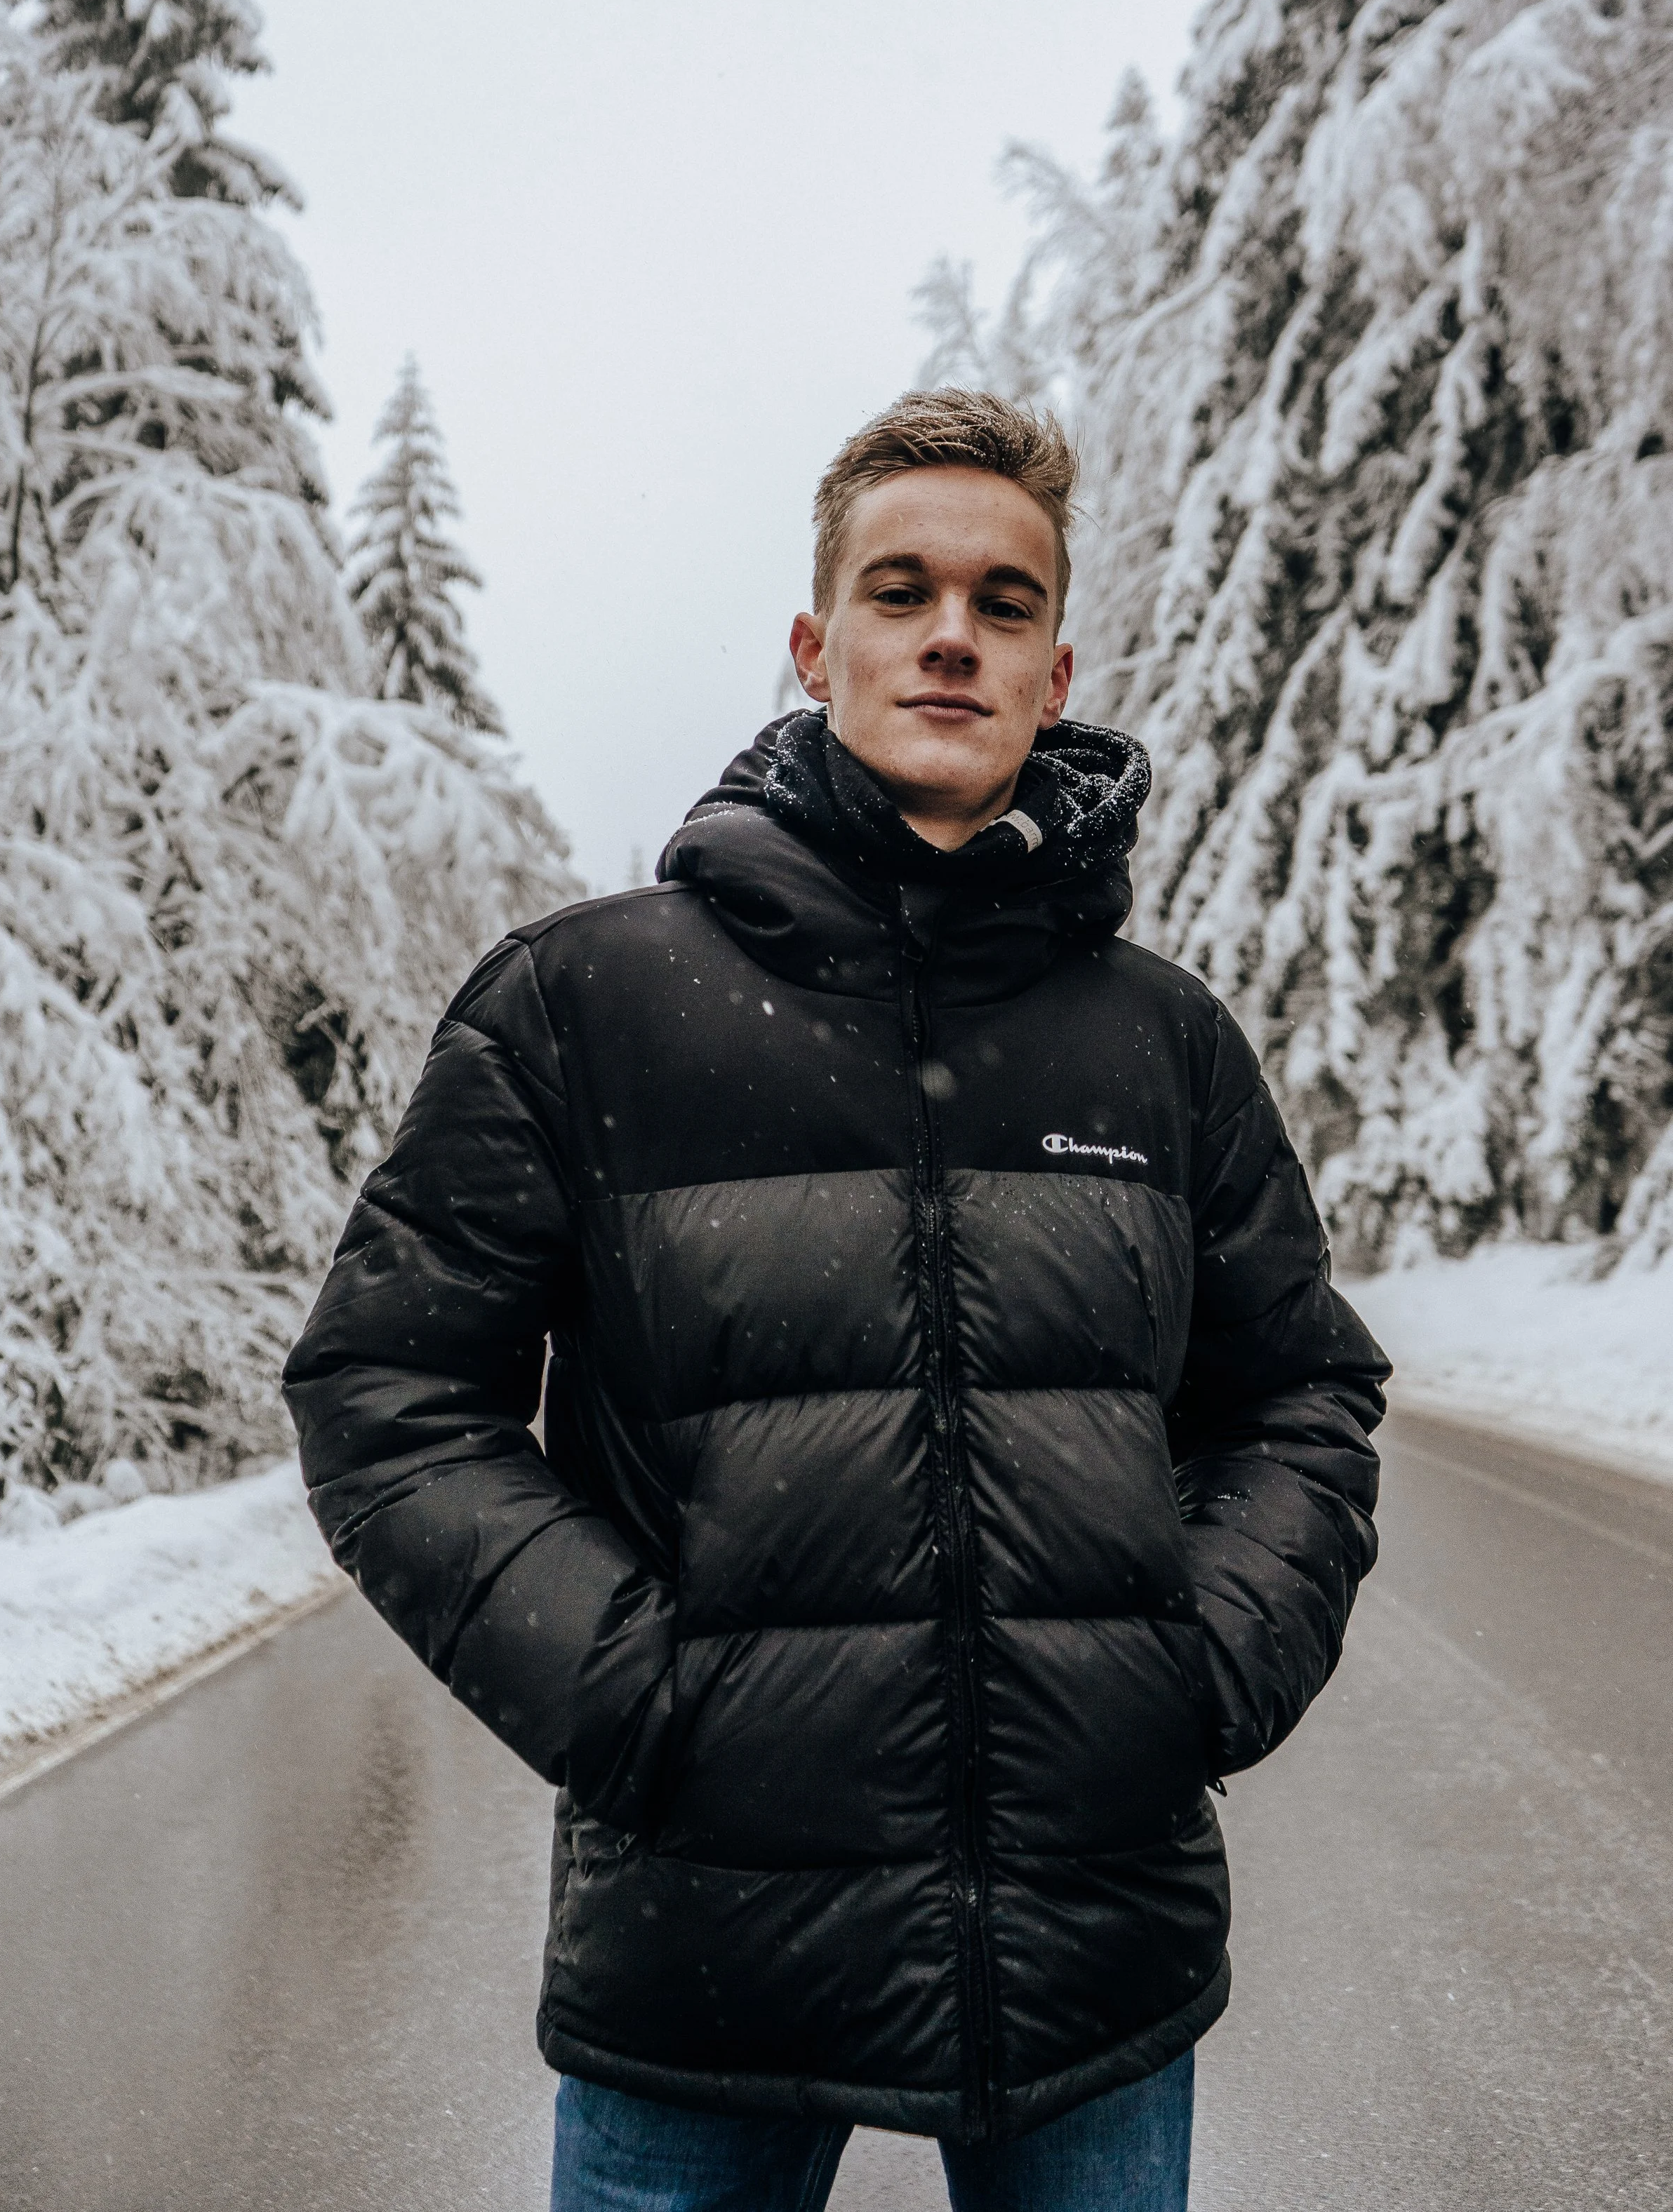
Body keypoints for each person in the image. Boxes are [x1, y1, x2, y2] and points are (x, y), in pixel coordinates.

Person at [284, 388, 1389, 2211]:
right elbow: (386, 1392)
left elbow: (1300, 1397)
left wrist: (1196, 1670)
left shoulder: (1160, 1043)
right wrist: (645, 1695)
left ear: (1051, 667)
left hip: (1092, 1943)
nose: (951, 631)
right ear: (817, 644)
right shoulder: (582, 1004)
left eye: (1002, 599)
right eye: (902, 587)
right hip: (702, 1951)